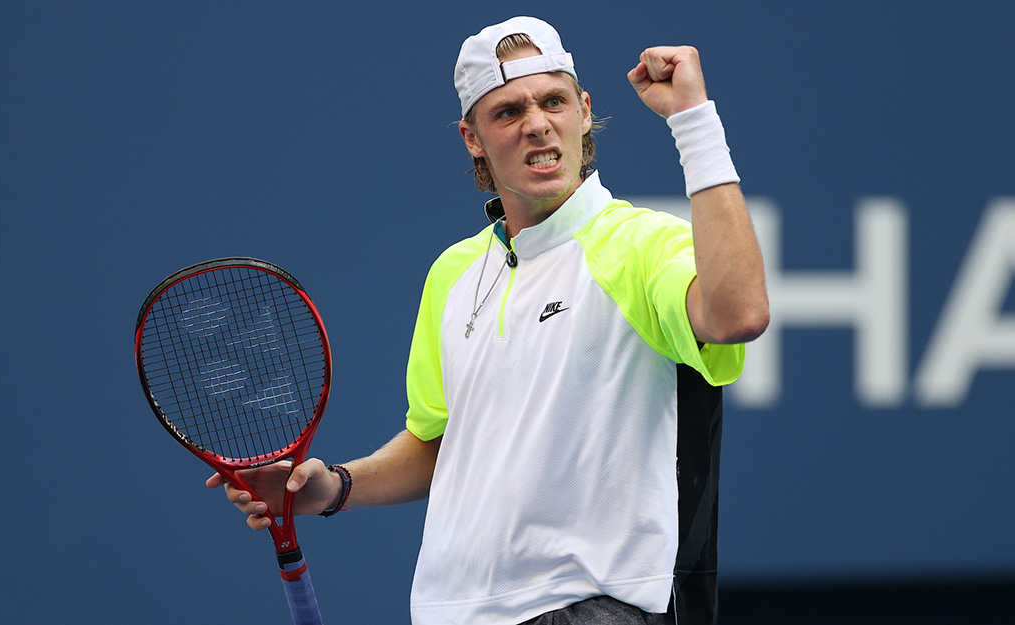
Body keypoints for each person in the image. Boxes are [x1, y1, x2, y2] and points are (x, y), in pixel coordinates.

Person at [207, 16, 768, 625]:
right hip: (453, 612)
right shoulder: (453, 272)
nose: (536, 123)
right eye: (506, 112)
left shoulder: (640, 244)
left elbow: (738, 313)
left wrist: (692, 119)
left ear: (583, 111)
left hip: (594, 608)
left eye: (553, 101)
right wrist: (334, 487)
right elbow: (440, 444)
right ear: (472, 137)